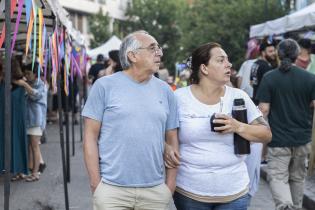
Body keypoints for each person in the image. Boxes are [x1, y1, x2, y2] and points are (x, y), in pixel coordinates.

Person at [82, 31, 179, 210]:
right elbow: (89, 137)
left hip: (155, 191)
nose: (159, 53)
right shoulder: (104, 86)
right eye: (152, 48)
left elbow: (172, 139)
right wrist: (96, 184)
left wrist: (169, 188)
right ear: (132, 55)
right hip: (112, 190)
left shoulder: (166, 91)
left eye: (159, 48)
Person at [173, 42, 272, 210]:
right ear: (204, 68)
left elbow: (266, 134)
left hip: (234, 193)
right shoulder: (178, 98)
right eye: (221, 60)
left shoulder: (239, 96)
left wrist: (238, 126)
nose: (229, 64)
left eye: (228, 60)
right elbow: (165, 137)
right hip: (189, 193)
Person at [256, 38, 315, 210]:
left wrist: (259, 134)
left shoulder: (269, 78)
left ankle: (285, 205)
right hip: (302, 139)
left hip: (278, 139)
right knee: (297, 178)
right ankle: (294, 207)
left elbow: (264, 109)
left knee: (277, 177)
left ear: (279, 56)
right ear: (298, 55)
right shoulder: (310, 78)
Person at [15, 63, 47, 181]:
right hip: (28, 120)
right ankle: (30, 170)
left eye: (28, 73)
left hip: (36, 120)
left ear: (35, 74)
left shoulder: (41, 84)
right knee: (29, 147)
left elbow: (36, 96)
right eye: (26, 73)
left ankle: (35, 173)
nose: (26, 76)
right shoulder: (29, 83)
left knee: (34, 147)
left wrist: (24, 85)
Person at [0, 58, 29, 180]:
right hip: (5, 117)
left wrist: (24, 85)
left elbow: (35, 94)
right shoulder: (3, 81)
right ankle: (11, 168)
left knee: (15, 140)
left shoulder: (21, 82)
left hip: (16, 117)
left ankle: (19, 169)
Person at [250, 38, 277, 105]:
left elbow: (251, 83)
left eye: (274, 51)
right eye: (270, 51)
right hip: (264, 102)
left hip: (255, 100)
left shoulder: (255, 64)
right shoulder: (266, 67)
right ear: (263, 53)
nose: (273, 53)